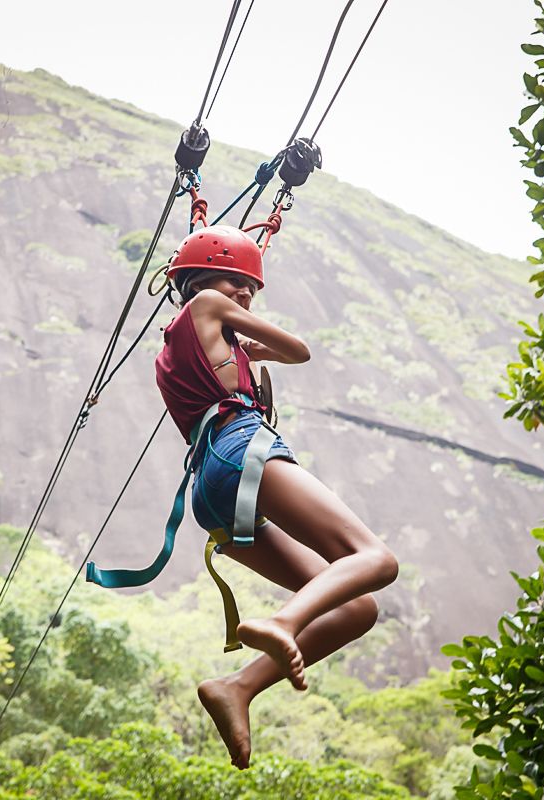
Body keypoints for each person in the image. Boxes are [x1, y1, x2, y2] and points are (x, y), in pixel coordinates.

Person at [156, 224, 399, 770]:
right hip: (241, 449)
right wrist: (255, 345)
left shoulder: (180, 347)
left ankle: (237, 687)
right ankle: (284, 623)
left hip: (211, 491)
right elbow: (300, 350)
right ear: (196, 280)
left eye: (250, 288)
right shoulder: (207, 304)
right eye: (233, 281)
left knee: (357, 607)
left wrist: (240, 348)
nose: (243, 293)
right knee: (376, 560)